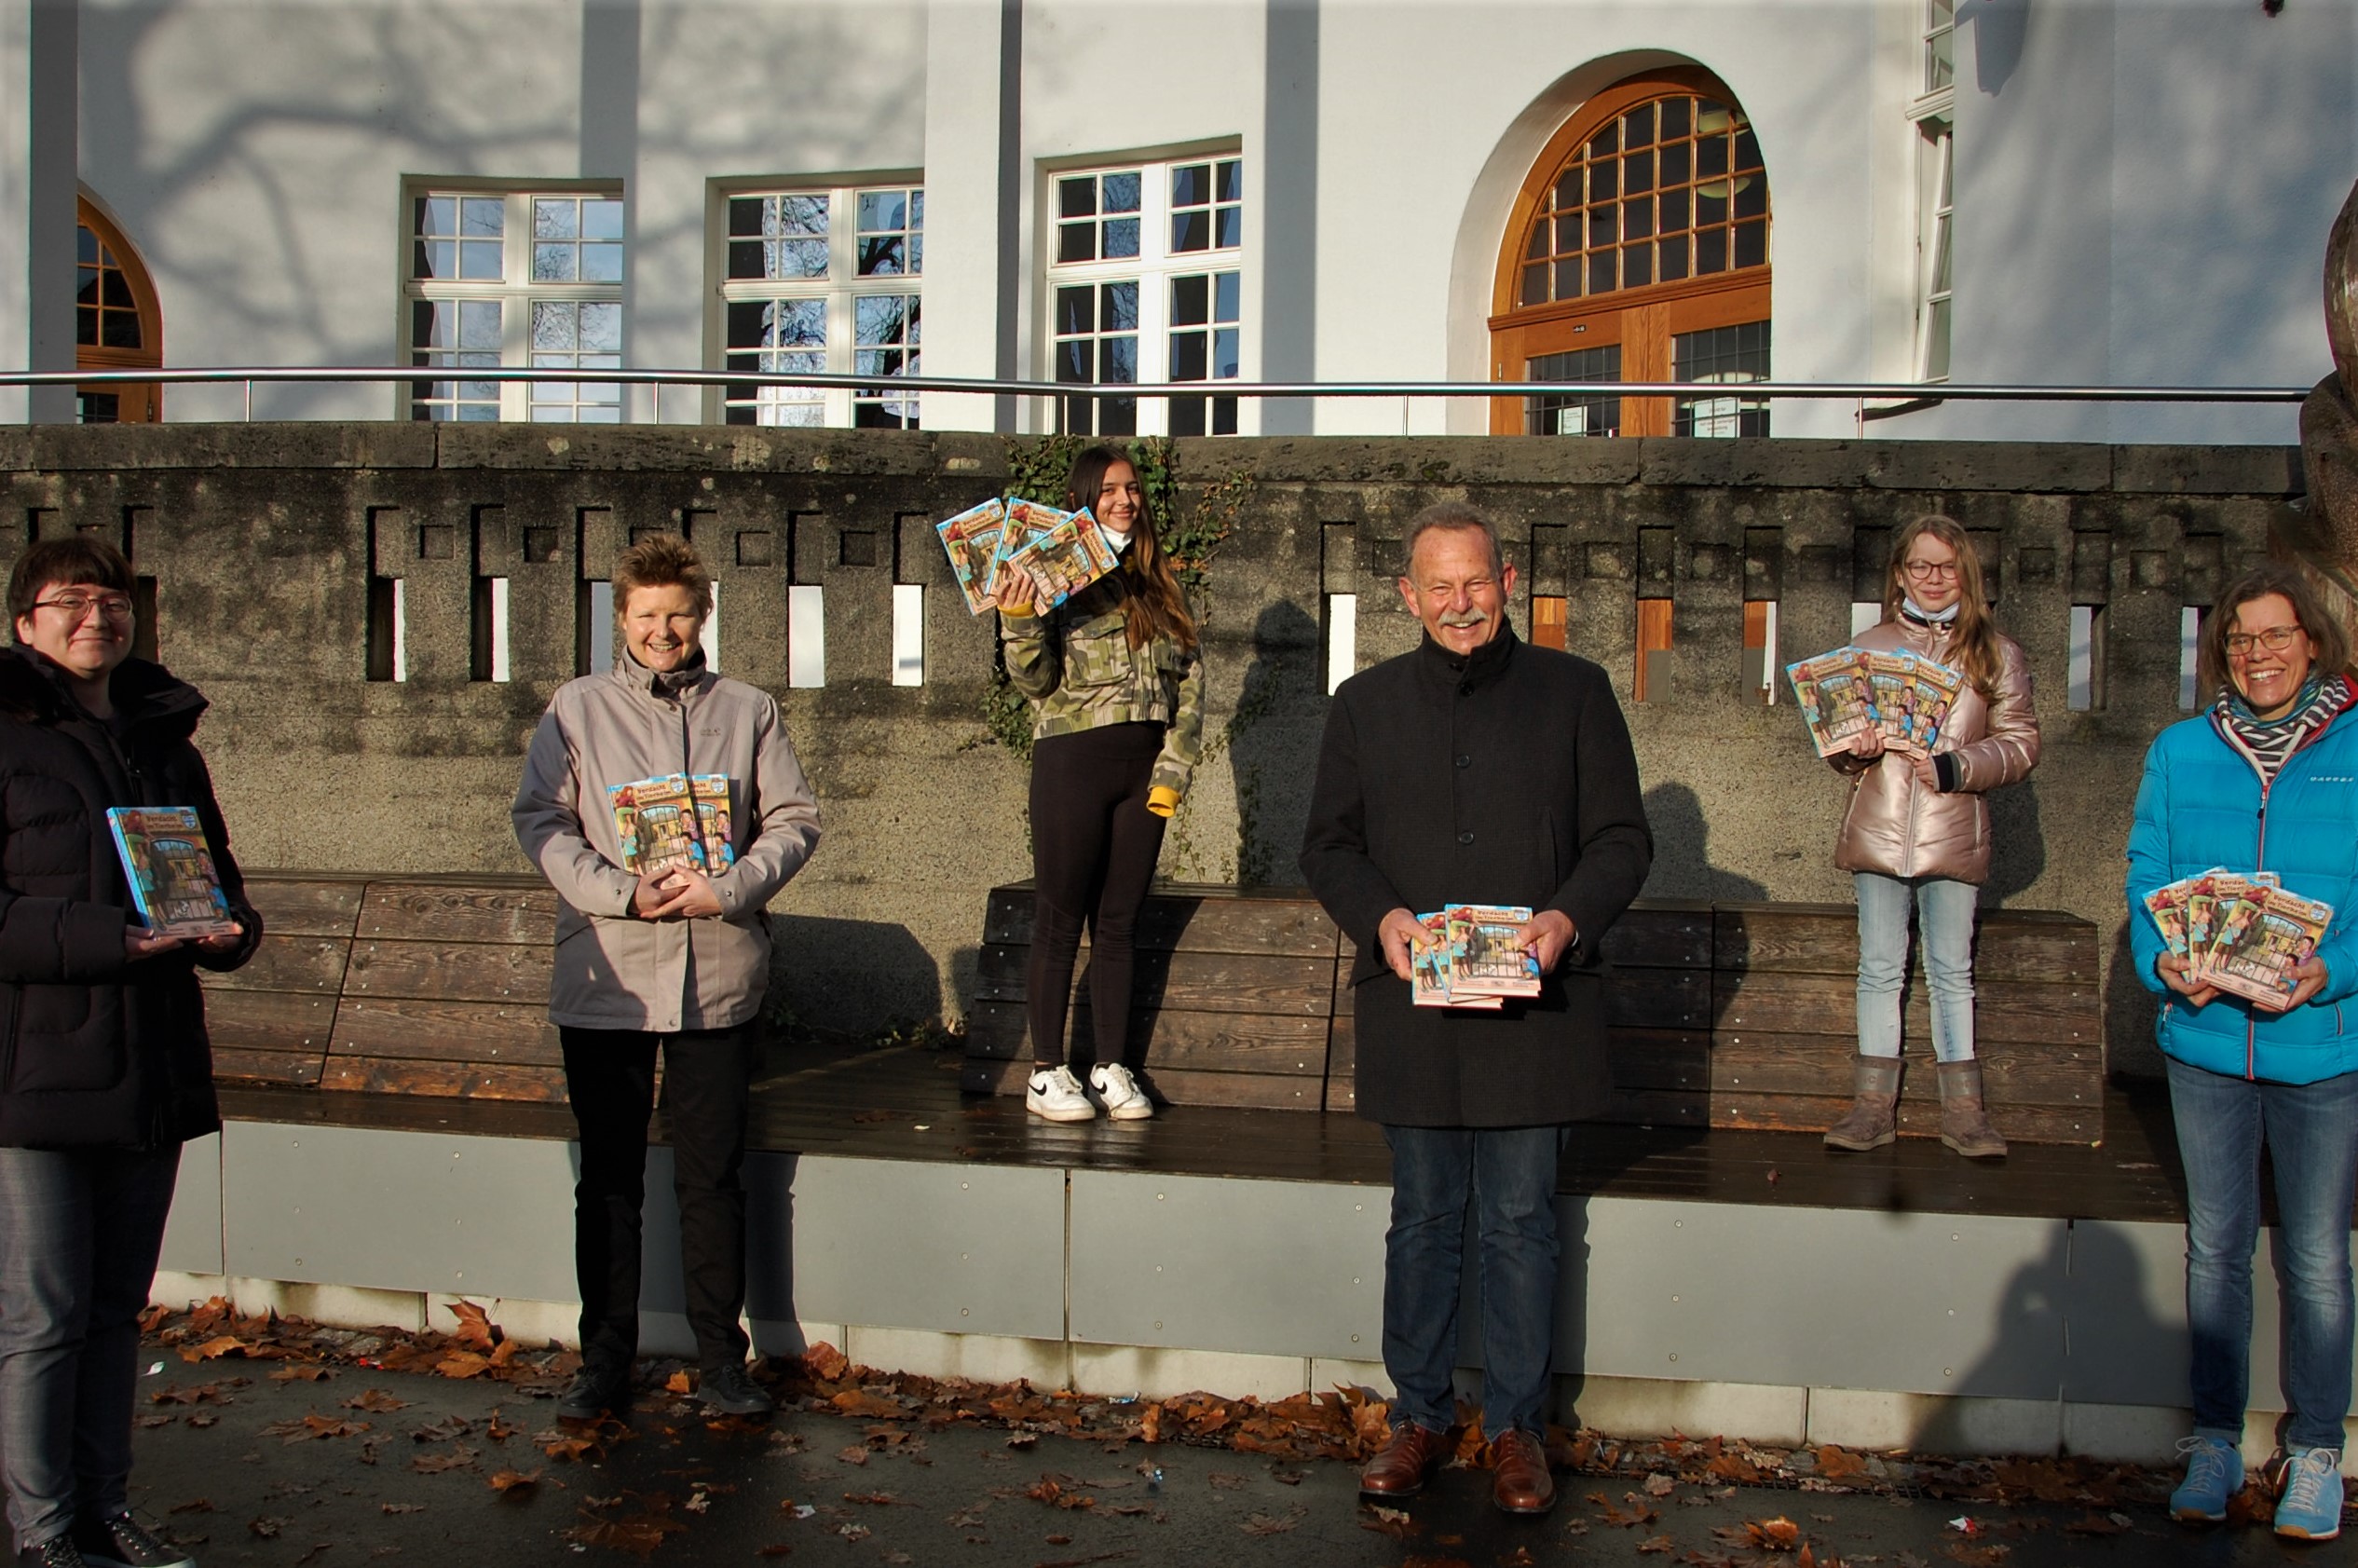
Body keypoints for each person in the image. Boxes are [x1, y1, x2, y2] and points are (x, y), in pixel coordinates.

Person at [1300, 502, 1651, 1514]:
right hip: (1413, 1006)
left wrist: (1564, 920)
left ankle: (1512, 1429)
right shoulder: (1363, 706)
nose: (1459, 605)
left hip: (1534, 1012)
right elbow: (1326, 846)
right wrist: (1383, 920)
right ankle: (1414, 1417)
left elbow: (1620, 840)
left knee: (1518, 1224)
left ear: (1507, 581)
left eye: (1475, 583)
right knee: (1422, 1222)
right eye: (1437, 588)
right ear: (1406, 596)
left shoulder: (1575, 694)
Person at [512, 535, 820, 1422]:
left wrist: (726, 889)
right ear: (621, 617)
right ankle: (603, 1358)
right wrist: (620, 891)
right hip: (606, 974)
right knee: (605, 1180)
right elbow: (540, 819)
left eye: (678, 612)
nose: (662, 630)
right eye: (645, 615)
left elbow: (794, 818)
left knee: (710, 1176)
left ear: (704, 613)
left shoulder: (748, 708)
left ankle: (724, 1360)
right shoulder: (574, 708)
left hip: (717, 971)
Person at [0, 537, 260, 1568]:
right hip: (32, 1075)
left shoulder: (166, 743)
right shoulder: (5, 736)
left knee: (115, 1314)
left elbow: (219, 879)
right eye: (68, 602)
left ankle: (104, 1512)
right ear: (26, 623)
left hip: (149, 1067)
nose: (94, 619)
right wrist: (109, 939)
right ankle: (42, 1529)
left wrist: (233, 929)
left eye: (111, 602)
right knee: (43, 1317)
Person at [2127, 564, 2358, 1541]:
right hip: (2205, 1042)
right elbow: (2146, 873)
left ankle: (2313, 1451)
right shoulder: (2181, 751)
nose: (2256, 654)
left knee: (2312, 1258)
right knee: (2213, 1251)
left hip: (2320, 1049)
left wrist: (2332, 970)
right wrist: (2159, 963)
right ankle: (2213, 1440)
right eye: (2238, 639)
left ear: (2311, 642)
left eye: (2274, 636)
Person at [995, 446, 1204, 1123]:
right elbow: (1033, 682)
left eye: (1132, 488)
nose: (1125, 498)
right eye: (1110, 488)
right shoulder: (1055, 572)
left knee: (1118, 921)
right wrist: (1019, 618)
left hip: (1143, 769)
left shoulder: (1160, 582)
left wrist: (1172, 770)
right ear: (1085, 497)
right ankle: (1046, 1072)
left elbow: (1192, 684)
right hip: (1072, 760)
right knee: (1060, 919)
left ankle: (1110, 1065)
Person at [1820, 515, 2039, 1159]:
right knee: (1879, 967)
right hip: (1878, 828)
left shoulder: (1996, 651)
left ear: (1965, 572)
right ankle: (1870, 1107)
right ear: (1899, 573)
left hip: (1953, 829)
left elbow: (2021, 743)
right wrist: (1852, 750)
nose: (1933, 578)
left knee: (1951, 969)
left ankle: (1964, 1112)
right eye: (1920, 566)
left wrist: (1955, 766)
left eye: (1946, 567)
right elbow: (1836, 748)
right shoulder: (1868, 644)